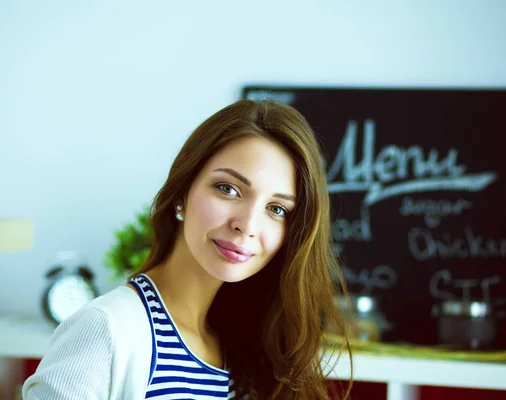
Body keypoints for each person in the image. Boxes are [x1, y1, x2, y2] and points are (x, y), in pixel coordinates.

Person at [23, 99, 351, 399]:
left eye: (277, 209)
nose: (248, 225)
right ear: (182, 193)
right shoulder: (104, 330)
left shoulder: (243, 343)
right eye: (228, 189)